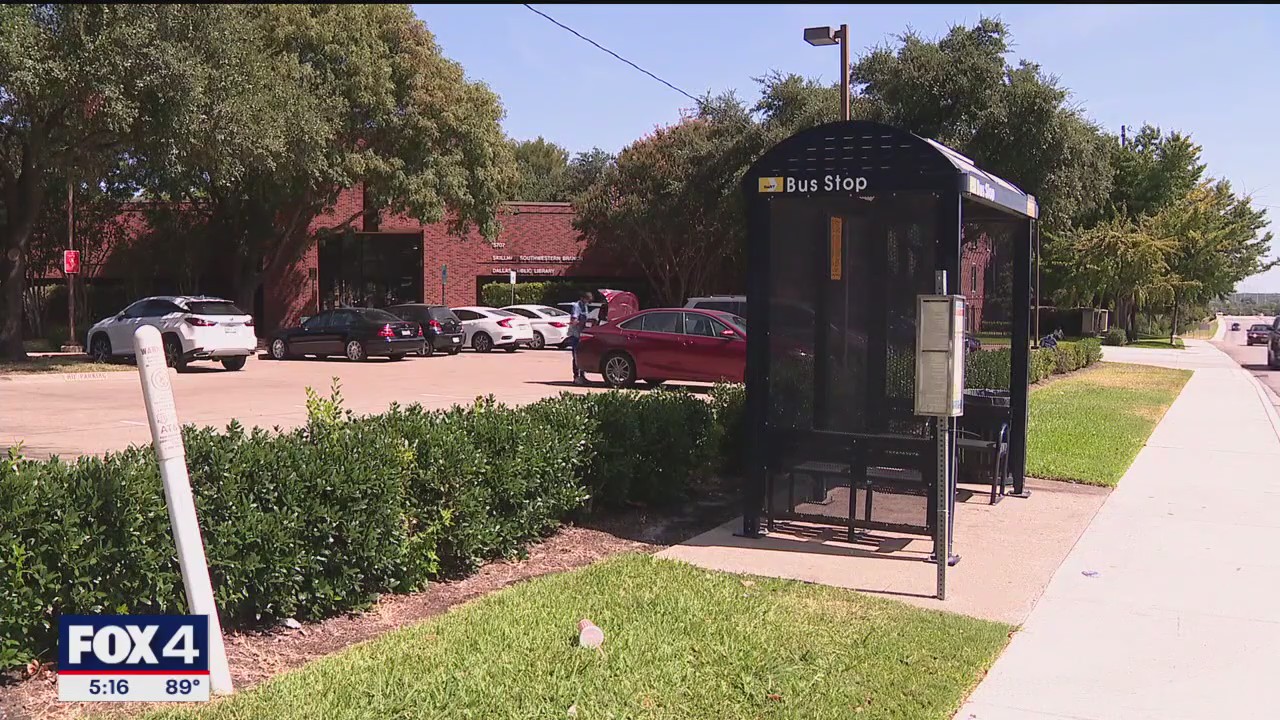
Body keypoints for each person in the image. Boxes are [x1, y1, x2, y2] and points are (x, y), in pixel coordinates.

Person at [567, 291, 593, 385]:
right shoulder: (576, 306)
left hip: (582, 335)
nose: (587, 302)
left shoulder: (585, 306)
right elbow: (574, 321)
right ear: (583, 298)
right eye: (587, 300)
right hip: (575, 334)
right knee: (576, 356)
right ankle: (576, 377)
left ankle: (582, 376)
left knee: (582, 355)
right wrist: (581, 322)